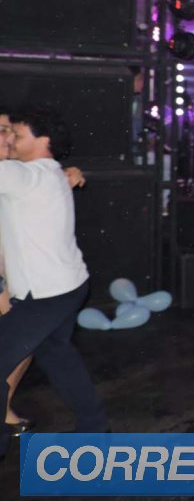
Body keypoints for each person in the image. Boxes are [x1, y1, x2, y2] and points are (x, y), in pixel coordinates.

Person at [0, 107, 107, 457]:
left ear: (43, 141)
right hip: (66, 287)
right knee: (58, 356)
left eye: (17, 134)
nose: (10, 140)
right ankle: (95, 429)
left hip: (47, 295)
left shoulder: (25, 175)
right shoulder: (48, 173)